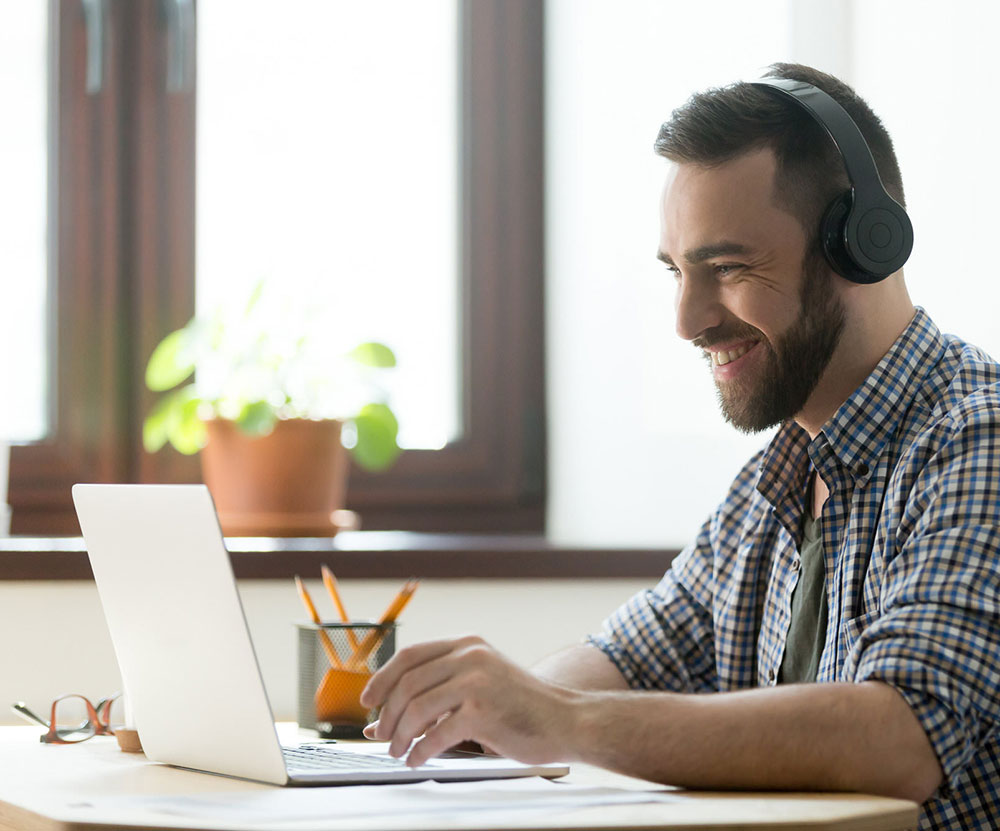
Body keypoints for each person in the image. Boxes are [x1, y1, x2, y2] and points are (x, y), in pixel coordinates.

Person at [360, 63, 1000, 829]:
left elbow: (904, 738)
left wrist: (552, 718)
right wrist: (481, 713)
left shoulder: (976, 439)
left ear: (863, 246)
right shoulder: (776, 481)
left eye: (726, 268)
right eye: (677, 273)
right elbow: (628, 662)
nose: (687, 320)